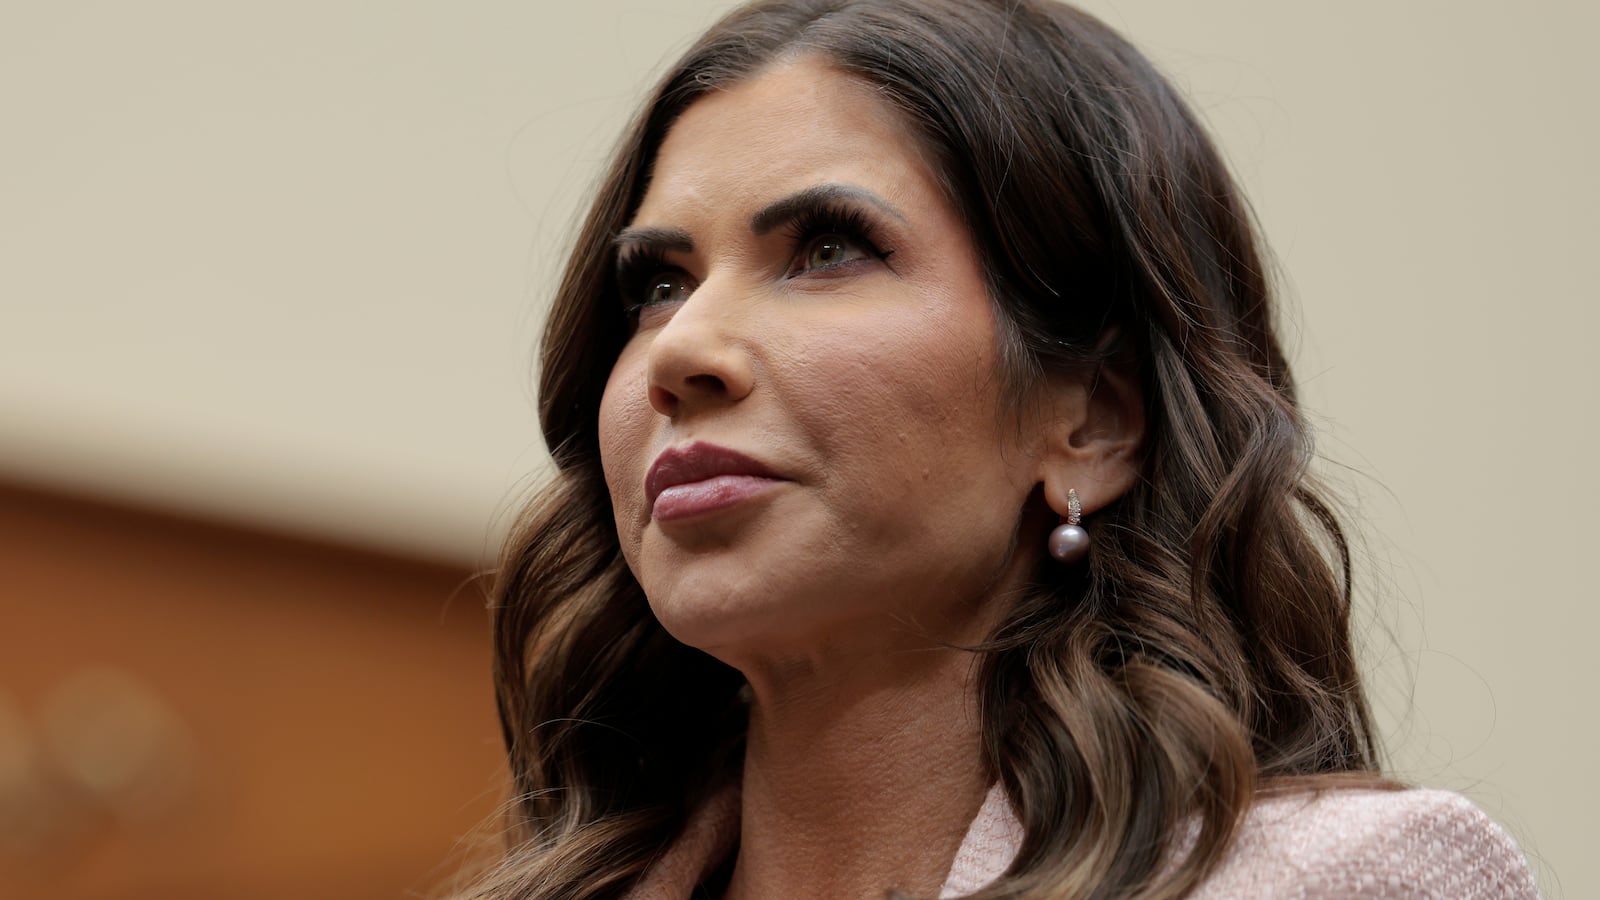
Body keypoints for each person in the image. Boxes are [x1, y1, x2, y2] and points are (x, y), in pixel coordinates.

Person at [458, 0, 1540, 896]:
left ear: (1093, 423)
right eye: (657, 284)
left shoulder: (1340, 882)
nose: (681, 349)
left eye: (828, 250)